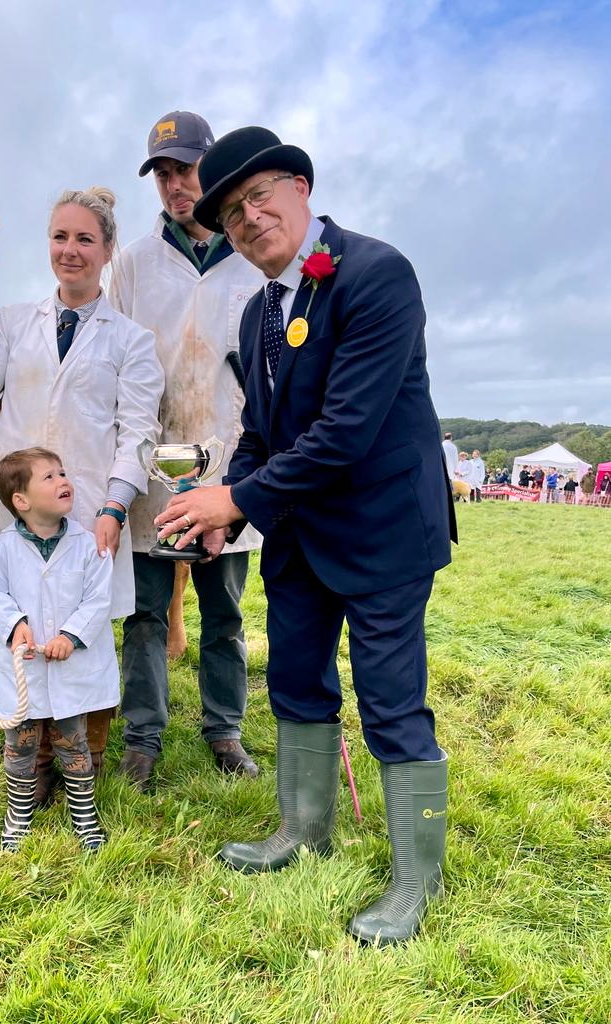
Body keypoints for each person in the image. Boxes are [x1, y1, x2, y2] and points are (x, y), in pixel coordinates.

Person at [155, 126, 455, 944]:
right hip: (296, 532)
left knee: (392, 705)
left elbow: (346, 432)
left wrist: (234, 500)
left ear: (300, 189)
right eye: (230, 211)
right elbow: (263, 434)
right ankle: (301, 831)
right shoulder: (257, 311)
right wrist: (230, 508)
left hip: (384, 529)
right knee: (295, 685)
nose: (248, 219)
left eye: (259, 196)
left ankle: (413, 885)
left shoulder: (377, 274)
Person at [0, 186, 164, 803]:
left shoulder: (131, 341)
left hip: (87, 508)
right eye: (60, 237)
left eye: (85, 238)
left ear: (108, 250)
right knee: (21, 623)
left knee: (84, 630)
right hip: (17, 507)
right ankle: (29, 758)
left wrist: (116, 503)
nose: (71, 250)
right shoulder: (14, 322)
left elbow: (139, 433)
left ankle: (82, 755)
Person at [108, 111, 264, 789]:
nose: (175, 185)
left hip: (231, 467)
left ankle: (224, 729)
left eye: (186, 168)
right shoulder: (135, 264)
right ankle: (143, 735)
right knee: (144, 613)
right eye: (164, 173)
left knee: (224, 612)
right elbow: (111, 358)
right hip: (150, 468)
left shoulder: (256, 261)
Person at [0, 448, 118, 852]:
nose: (63, 481)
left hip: (70, 667)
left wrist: (70, 636)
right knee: (19, 743)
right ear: (21, 501)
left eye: (63, 472)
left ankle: (84, 814)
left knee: (73, 741)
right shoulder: (1, 547)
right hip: (26, 667)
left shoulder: (89, 545)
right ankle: (18, 814)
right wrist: (14, 624)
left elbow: (98, 599)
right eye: (50, 477)